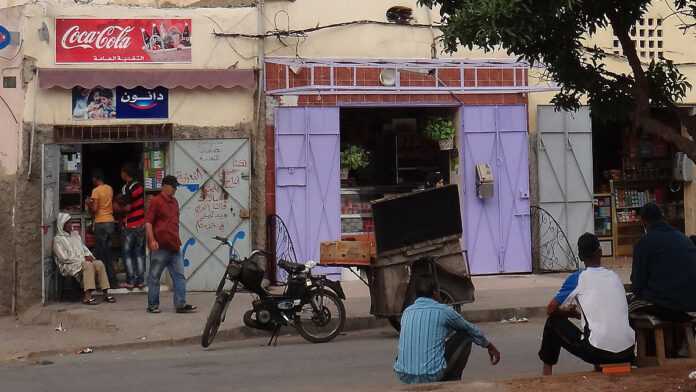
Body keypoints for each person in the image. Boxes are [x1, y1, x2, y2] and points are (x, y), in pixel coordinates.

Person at [539, 233, 635, 376]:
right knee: (599, 325)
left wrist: (568, 313)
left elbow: (551, 309)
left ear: (580, 257)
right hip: (628, 352)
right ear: (600, 252)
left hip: (598, 352)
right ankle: (599, 367)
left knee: (553, 322)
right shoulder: (614, 276)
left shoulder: (578, 278)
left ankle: (546, 376)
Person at [394, 276, 500, 384]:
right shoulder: (443, 310)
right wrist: (489, 346)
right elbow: (470, 328)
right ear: (435, 293)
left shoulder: (407, 312)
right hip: (431, 374)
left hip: (404, 375)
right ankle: (453, 381)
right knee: (465, 334)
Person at [629, 203, 696, 320]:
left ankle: (648, 338)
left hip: (668, 306)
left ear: (644, 222)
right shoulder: (684, 238)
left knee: (630, 306)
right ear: (662, 218)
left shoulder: (643, 243)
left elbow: (637, 285)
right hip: (692, 303)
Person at [145, 175, 197, 314]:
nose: (175, 189)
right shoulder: (156, 202)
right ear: (165, 186)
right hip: (160, 246)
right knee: (154, 277)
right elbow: (148, 222)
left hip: (174, 246)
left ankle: (180, 304)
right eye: (173, 187)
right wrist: (151, 240)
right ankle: (153, 305)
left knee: (179, 276)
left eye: (175, 187)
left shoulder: (175, 202)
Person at [53, 213, 116, 305]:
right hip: (68, 265)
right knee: (88, 265)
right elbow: (64, 258)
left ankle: (106, 293)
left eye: (71, 222)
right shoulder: (58, 240)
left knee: (99, 263)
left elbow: (84, 249)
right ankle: (87, 297)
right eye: (68, 223)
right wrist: (83, 260)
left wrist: (90, 257)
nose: (71, 225)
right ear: (62, 224)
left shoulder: (75, 236)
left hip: (81, 262)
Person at [117, 163, 146, 289]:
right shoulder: (140, 186)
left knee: (127, 253)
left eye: (122, 172)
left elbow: (128, 207)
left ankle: (130, 280)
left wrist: (119, 207)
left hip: (130, 225)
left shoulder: (126, 188)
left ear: (125, 173)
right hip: (141, 224)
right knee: (139, 252)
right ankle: (140, 281)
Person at [87, 169, 117, 288]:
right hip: (110, 221)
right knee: (109, 253)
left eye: (93, 179)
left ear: (96, 178)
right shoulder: (109, 188)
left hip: (101, 222)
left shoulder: (95, 191)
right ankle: (113, 281)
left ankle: (102, 282)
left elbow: (95, 209)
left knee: (100, 254)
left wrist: (89, 204)